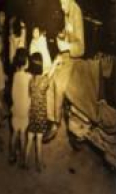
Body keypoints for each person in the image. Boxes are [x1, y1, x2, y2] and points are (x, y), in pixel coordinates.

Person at [43, 0, 85, 143]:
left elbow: (81, 48)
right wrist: (62, 37)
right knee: (49, 78)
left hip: (74, 59)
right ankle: (51, 118)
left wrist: (66, 46)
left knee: (59, 84)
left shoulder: (76, 12)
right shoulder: (67, 12)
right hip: (65, 56)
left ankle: (56, 122)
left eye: (63, 3)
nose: (61, 7)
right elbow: (69, 34)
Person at [26, 53, 62, 171]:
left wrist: (52, 66)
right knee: (39, 140)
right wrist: (55, 63)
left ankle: (25, 162)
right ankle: (39, 164)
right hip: (40, 115)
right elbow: (50, 75)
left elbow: (47, 74)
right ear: (41, 66)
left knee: (30, 137)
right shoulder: (43, 82)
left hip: (31, 114)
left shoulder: (31, 81)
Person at [9, 48, 31, 166]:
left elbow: (13, 93)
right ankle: (23, 159)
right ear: (25, 62)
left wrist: (13, 106)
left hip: (16, 110)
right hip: (24, 111)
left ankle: (12, 156)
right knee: (23, 135)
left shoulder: (15, 75)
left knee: (14, 133)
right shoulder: (28, 77)